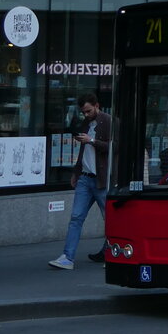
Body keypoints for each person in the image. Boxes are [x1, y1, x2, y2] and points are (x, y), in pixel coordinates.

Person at [49, 93, 111, 270]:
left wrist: (92, 140)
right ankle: (68, 257)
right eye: (83, 112)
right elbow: (83, 151)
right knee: (76, 217)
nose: (86, 114)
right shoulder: (85, 123)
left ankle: (112, 253)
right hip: (85, 177)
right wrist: (76, 172)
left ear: (97, 105)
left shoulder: (108, 121)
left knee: (110, 219)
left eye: (89, 111)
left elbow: (115, 147)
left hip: (101, 179)